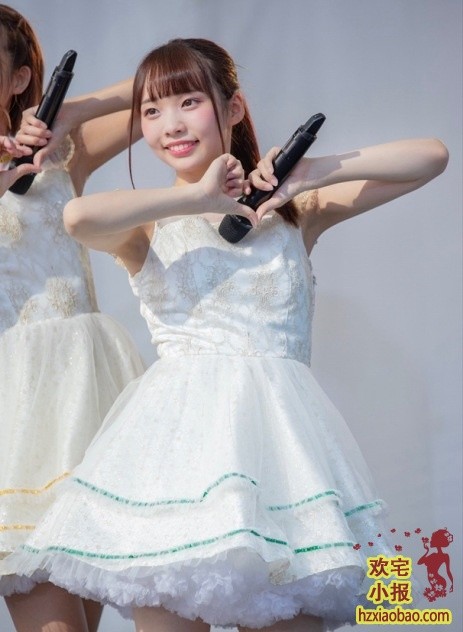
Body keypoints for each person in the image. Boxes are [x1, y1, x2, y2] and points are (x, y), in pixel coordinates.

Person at [3, 37, 448, 632]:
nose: (170, 124)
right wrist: (194, 197)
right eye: (151, 111)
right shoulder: (149, 221)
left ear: (233, 108)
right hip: (173, 465)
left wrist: (311, 171)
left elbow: (431, 156)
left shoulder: (295, 211)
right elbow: (77, 218)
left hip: (282, 462)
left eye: (188, 102)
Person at [0, 5, 146, 632]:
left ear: (18, 78)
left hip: (84, 392)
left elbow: (161, 89)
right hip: (12, 407)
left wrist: (71, 112)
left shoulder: (61, 154)